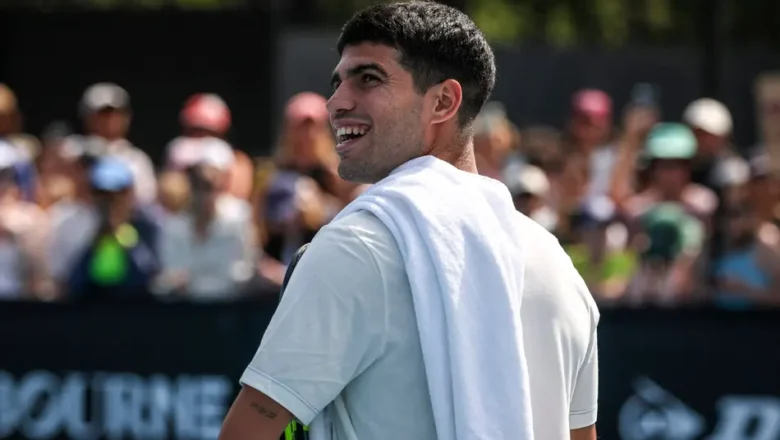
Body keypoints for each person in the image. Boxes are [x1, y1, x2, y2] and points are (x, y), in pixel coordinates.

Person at [220, 3, 598, 440]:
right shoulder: (558, 266)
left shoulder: (352, 246)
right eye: (337, 82)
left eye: (369, 79)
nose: (336, 103)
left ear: (443, 101)